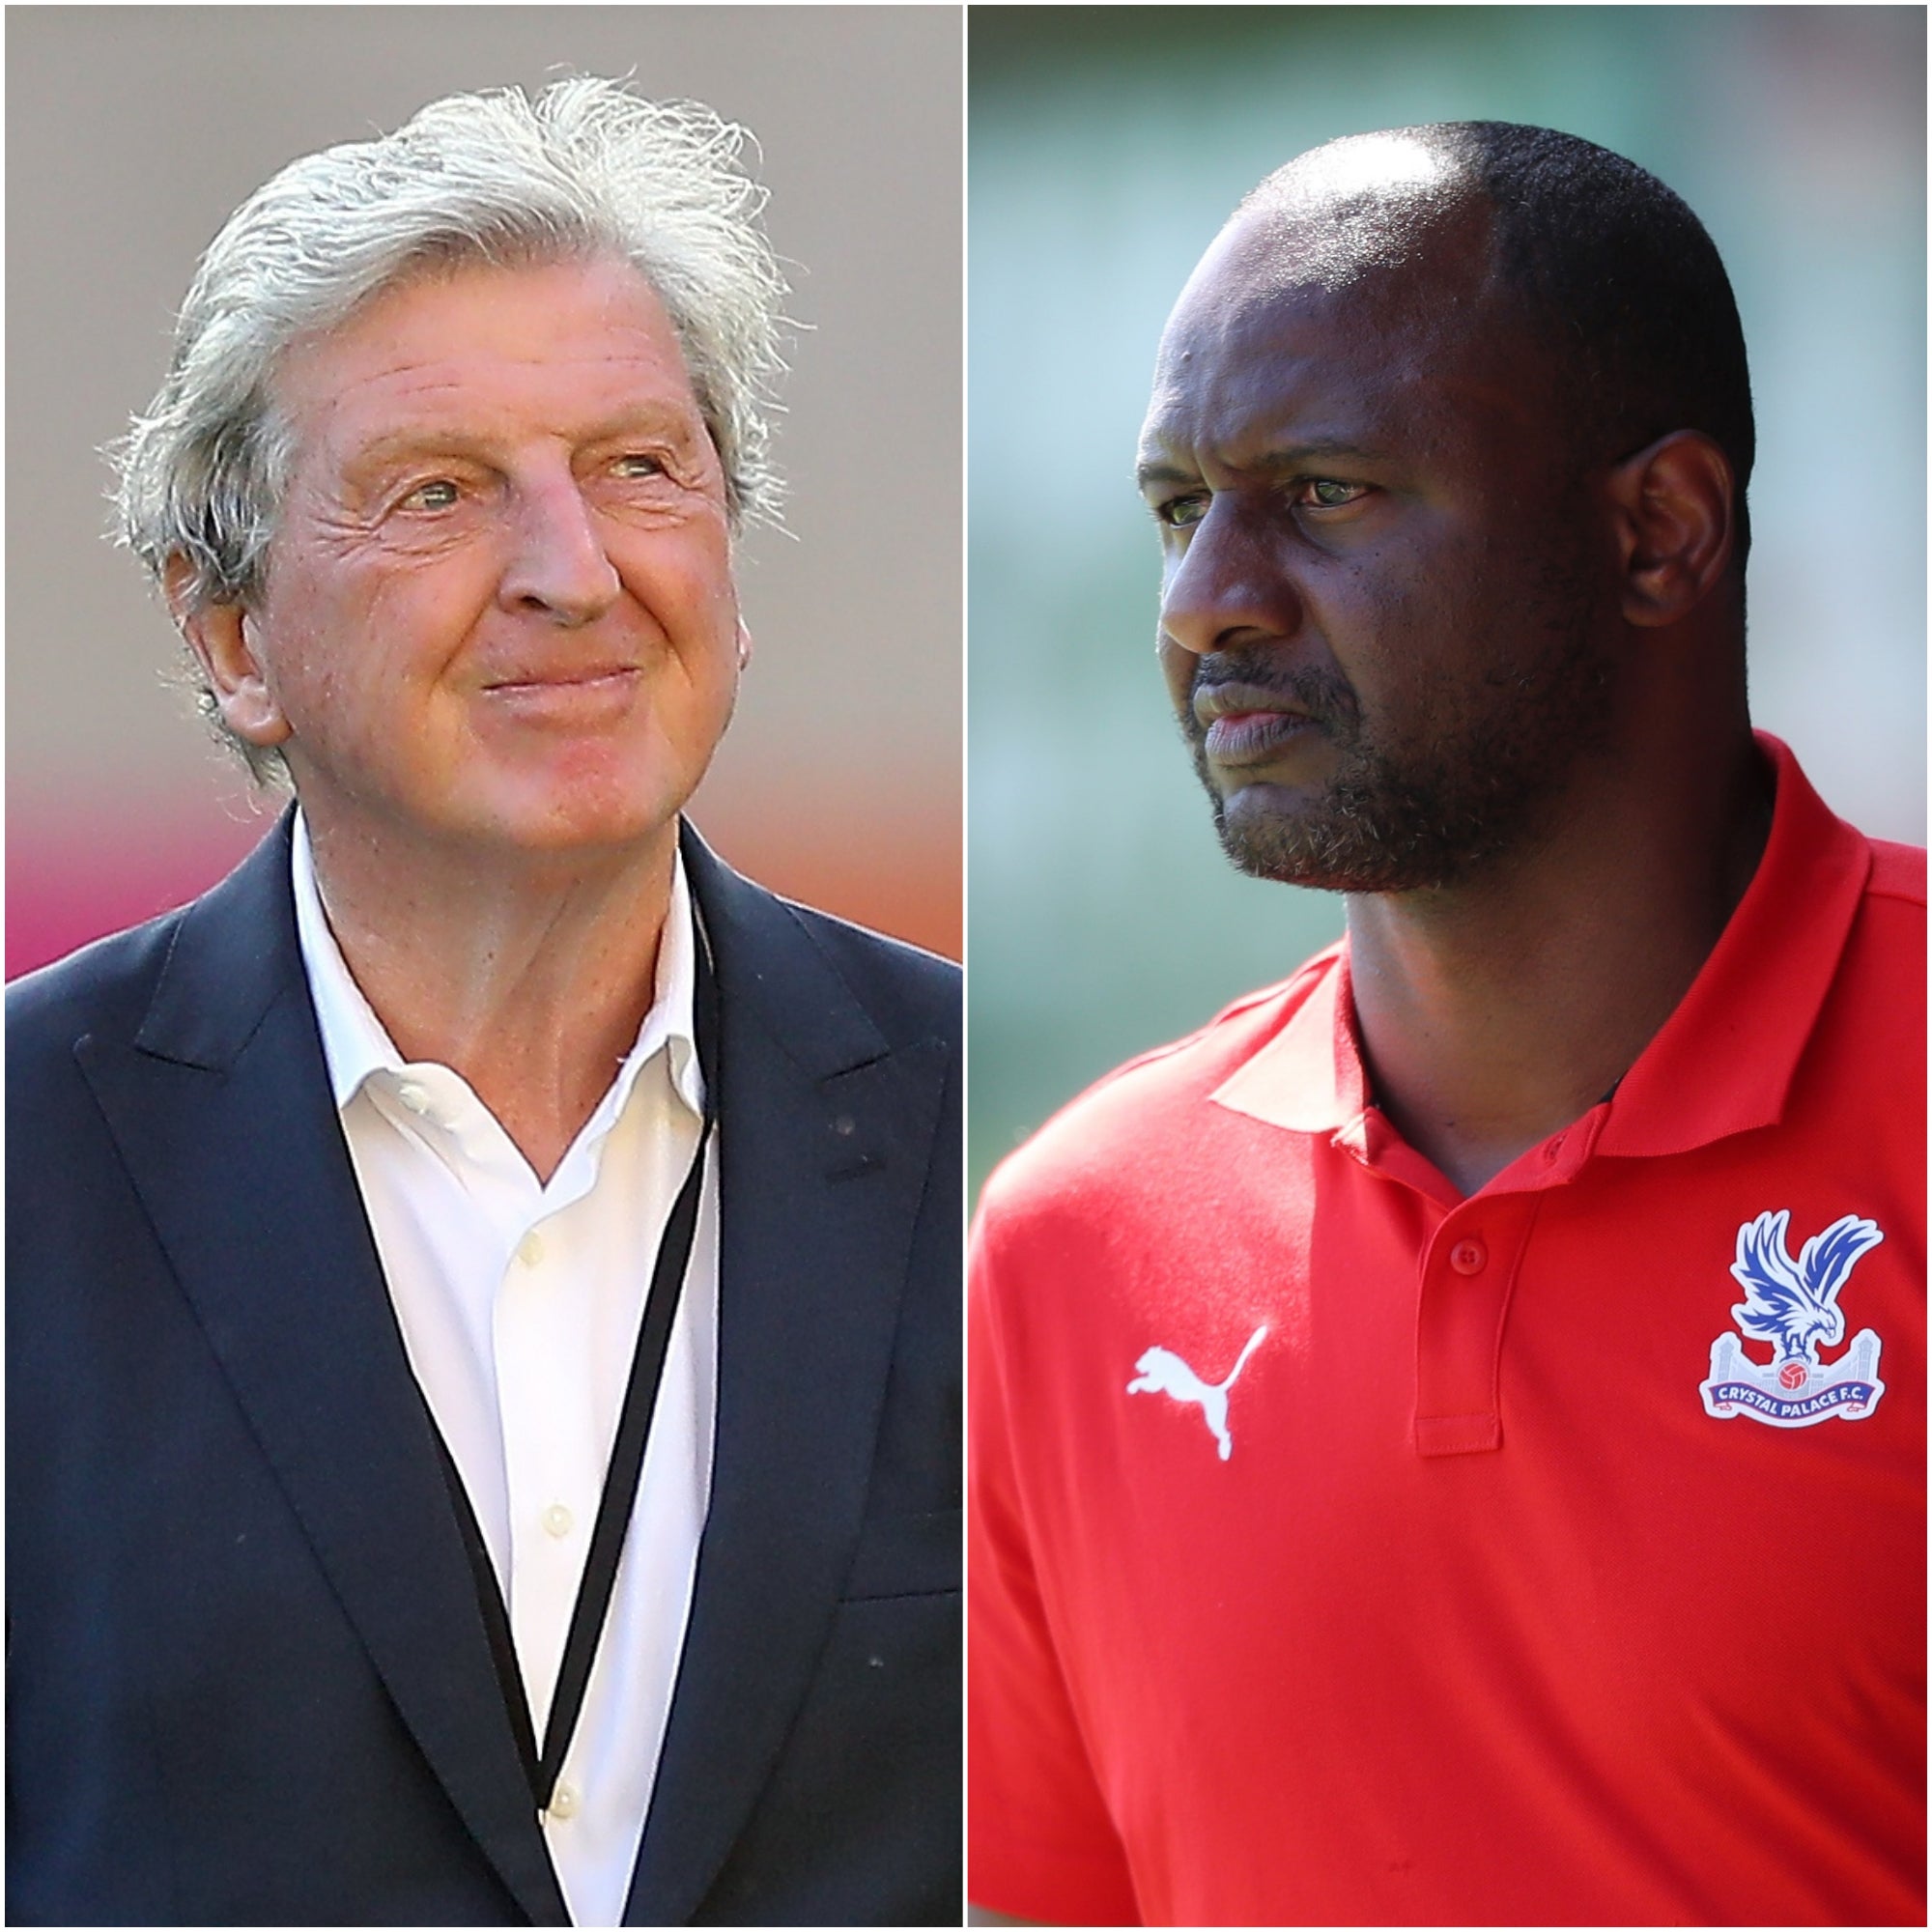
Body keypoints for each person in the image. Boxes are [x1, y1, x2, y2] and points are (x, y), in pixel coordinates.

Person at [9, 79, 959, 1927]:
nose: (572, 569)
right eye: (440, 494)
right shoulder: (22, 1166)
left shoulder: (985, 1133)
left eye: (638, 467)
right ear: (230, 638)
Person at [968, 123, 1922, 1927]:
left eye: (1324, 491)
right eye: (1183, 511)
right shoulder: (1069, 1248)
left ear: (1661, 532)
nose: (1202, 603)